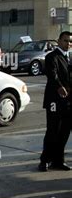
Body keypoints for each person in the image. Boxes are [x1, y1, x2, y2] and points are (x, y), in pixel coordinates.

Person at [38, 31, 71, 171]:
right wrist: (59, 87)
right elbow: (52, 74)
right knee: (52, 131)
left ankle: (58, 161)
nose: (68, 44)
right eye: (65, 41)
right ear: (58, 41)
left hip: (68, 102)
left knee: (64, 131)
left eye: (70, 41)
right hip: (54, 101)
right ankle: (44, 160)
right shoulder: (52, 56)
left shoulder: (69, 57)